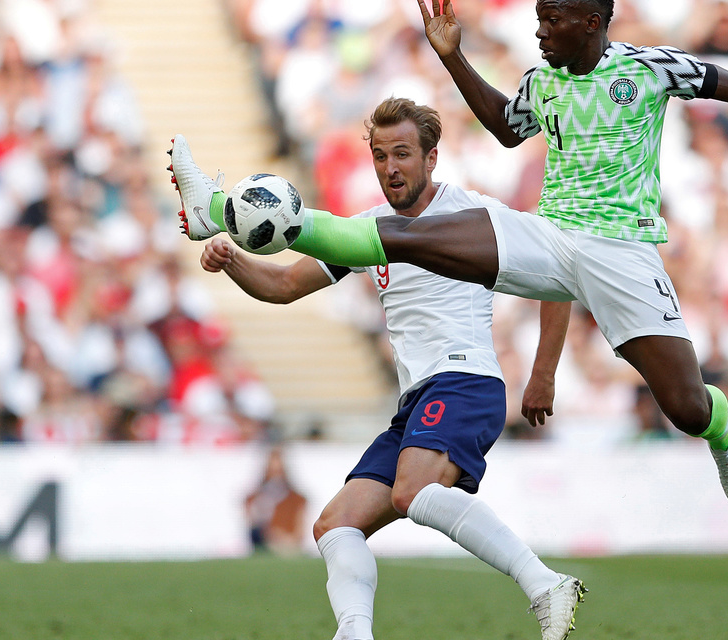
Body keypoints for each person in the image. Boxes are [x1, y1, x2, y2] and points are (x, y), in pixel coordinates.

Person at [172, 0, 728, 512]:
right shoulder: (544, 84)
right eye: (537, 14)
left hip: (623, 254)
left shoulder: (651, 69)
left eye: (551, 16)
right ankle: (224, 213)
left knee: (685, 407)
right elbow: (509, 131)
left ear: (591, 20)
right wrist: (452, 58)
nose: (538, 27)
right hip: (546, 237)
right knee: (399, 235)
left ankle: (723, 429)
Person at [171, 97, 585, 640]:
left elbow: (559, 273)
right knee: (334, 525)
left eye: (403, 154)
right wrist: (232, 260)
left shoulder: (476, 215)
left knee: (410, 492)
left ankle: (544, 584)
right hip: (417, 399)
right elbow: (283, 286)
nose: (391, 168)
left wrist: (544, 372)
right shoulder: (367, 230)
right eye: (381, 156)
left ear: (432, 158)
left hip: (466, 379)